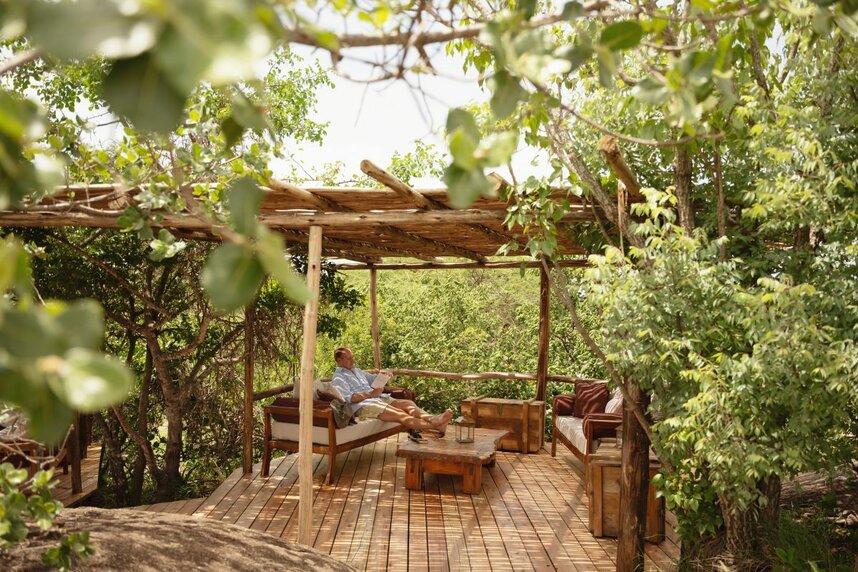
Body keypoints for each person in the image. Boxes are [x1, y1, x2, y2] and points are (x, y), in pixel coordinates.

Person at [331, 347, 452, 434]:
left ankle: (433, 420)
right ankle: (435, 425)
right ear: (339, 361)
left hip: (377, 398)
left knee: (408, 403)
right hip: (362, 406)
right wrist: (371, 394)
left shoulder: (356, 371)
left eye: (352, 357)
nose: (353, 361)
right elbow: (348, 399)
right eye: (349, 358)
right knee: (401, 415)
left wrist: (385, 375)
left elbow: (373, 379)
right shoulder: (338, 378)